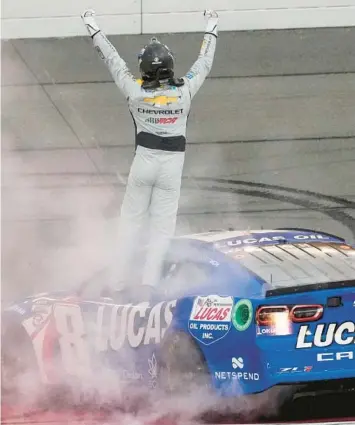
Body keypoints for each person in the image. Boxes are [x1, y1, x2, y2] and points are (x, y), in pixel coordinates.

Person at [81, 9, 219, 290]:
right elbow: (204, 62)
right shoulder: (185, 90)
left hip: (143, 165)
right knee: (162, 233)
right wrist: (212, 25)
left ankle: (117, 285)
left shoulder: (135, 91)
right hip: (172, 169)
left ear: (144, 69)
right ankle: (150, 286)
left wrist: (92, 26)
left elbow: (113, 60)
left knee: (129, 226)